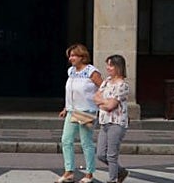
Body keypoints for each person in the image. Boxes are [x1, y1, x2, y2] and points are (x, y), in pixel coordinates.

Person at [56, 43, 101, 183]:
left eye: (74, 55)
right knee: (66, 140)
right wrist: (66, 107)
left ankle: (89, 173)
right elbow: (70, 91)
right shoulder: (71, 71)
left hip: (86, 111)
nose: (71, 58)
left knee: (86, 142)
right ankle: (69, 171)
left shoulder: (91, 71)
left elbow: (103, 87)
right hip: (72, 110)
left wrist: (98, 103)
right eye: (70, 55)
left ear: (82, 57)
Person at [94, 54, 130, 183]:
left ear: (118, 67)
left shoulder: (123, 86)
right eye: (107, 65)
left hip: (117, 123)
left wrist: (103, 102)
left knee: (111, 155)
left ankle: (113, 179)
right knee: (101, 154)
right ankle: (121, 171)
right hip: (104, 121)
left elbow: (111, 106)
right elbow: (96, 97)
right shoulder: (106, 81)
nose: (108, 68)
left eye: (111, 65)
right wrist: (105, 101)